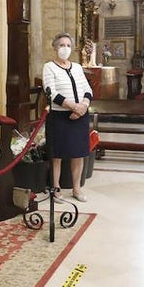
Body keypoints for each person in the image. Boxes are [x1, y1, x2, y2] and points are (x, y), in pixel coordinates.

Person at [42, 32, 94, 202]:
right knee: (57, 154)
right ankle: (56, 188)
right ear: (55, 48)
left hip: (80, 116)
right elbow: (51, 92)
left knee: (77, 154)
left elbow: (88, 89)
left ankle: (76, 189)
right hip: (59, 117)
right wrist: (74, 106)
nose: (65, 48)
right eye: (62, 45)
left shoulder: (77, 67)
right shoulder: (49, 67)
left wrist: (83, 106)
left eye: (68, 45)